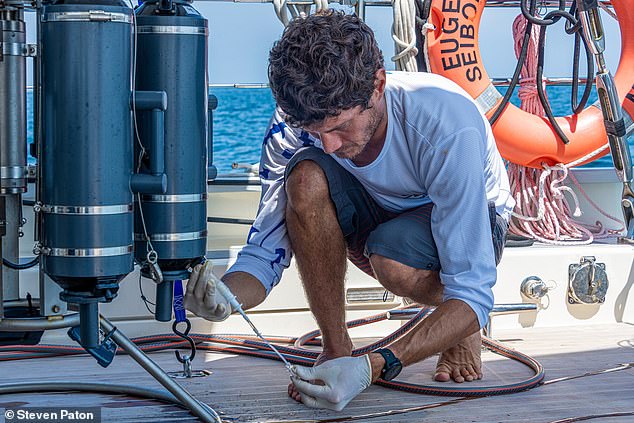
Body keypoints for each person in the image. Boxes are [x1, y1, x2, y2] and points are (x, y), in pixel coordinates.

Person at [184, 10, 514, 411]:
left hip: (473, 216)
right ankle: (336, 348)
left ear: (378, 85)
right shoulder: (293, 124)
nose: (329, 146)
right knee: (305, 177)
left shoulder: (445, 124)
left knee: (393, 260)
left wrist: (373, 367)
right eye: (314, 131)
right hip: (382, 210)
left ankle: (461, 329)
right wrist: (224, 296)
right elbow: (263, 254)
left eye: (340, 126)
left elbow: (474, 290)